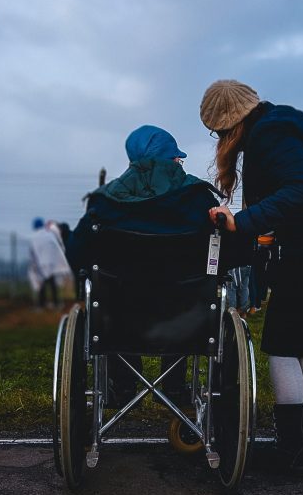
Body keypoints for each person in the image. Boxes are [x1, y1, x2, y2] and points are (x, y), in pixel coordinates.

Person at [200, 79, 303, 475]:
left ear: (230, 124)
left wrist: (241, 222)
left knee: (282, 345)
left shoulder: (270, 134)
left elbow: (302, 186)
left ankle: (293, 447)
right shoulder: (285, 123)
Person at [67, 124, 232, 408]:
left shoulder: (104, 202)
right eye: (178, 158)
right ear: (172, 159)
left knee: (116, 301)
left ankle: (123, 385)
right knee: (184, 297)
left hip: (118, 321)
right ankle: (175, 386)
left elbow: (76, 254)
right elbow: (227, 255)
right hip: (186, 319)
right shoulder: (199, 199)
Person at [28, 217, 72, 310]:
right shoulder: (49, 235)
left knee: (42, 285)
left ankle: (41, 305)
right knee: (53, 284)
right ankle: (56, 304)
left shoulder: (33, 238)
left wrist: (34, 266)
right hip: (52, 264)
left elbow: (32, 254)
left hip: (41, 265)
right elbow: (58, 247)